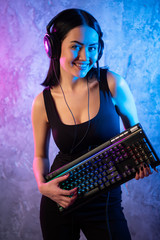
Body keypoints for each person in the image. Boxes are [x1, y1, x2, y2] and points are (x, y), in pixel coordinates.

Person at [31, 8, 152, 240]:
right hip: (59, 200)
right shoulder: (42, 103)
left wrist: (139, 159)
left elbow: (135, 136)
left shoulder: (113, 84)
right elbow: (40, 156)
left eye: (93, 48)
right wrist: (42, 186)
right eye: (76, 46)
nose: (86, 57)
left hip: (105, 201)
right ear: (54, 48)